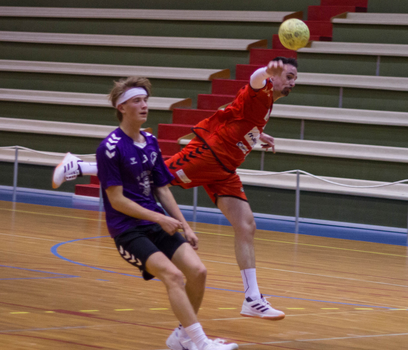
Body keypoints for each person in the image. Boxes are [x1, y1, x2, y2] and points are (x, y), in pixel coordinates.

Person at [53, 58, 298, 321]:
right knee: (152, 175)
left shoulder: (266, 103)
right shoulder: (263, 89)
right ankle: (80, 166)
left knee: (246, 225)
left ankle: (252, 298)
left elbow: (239, 116)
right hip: (208, 154)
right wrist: (265, 70)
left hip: (226, 168)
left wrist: (257, 133)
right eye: (288, 76)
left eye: (295, 78)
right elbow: (254, 81)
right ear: (273, 76)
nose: (292, 83)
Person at [93, 76, 238, 350]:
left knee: (198, 271)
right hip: (128, 230)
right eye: (137, 100)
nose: (144, 105)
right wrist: (160, 218)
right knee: (173, 276)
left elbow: (162, 189)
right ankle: (203, 347)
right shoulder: (109, 147)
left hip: (157, 223)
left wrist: (185, 225)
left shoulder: (151, 142)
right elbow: (117, 201)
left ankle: (183, 338)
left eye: (146, 100)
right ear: (122, 107)